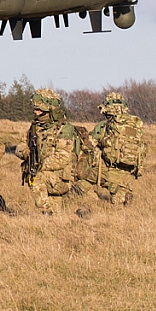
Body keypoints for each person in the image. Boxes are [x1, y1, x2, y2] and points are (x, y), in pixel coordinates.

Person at [14, 87, 80, 215]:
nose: (36, 112)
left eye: (40, 109)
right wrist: (27, 154)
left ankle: (46, 211)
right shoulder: (35, 127)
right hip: (49, 176)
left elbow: (63, 157)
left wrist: (41, 166)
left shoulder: (64, 129)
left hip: (62, 178)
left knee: (35, 177)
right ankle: (51, 220)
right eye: (36, 109)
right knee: (56, 218)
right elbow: (20, 147)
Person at [90, 92, 147, 205]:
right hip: (129, 168)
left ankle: (120, 198)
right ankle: (126, 196)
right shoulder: (134, 125)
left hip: (111, 168)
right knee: (123, 194)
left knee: (86, 180)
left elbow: (91, 143)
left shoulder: (105, 126)